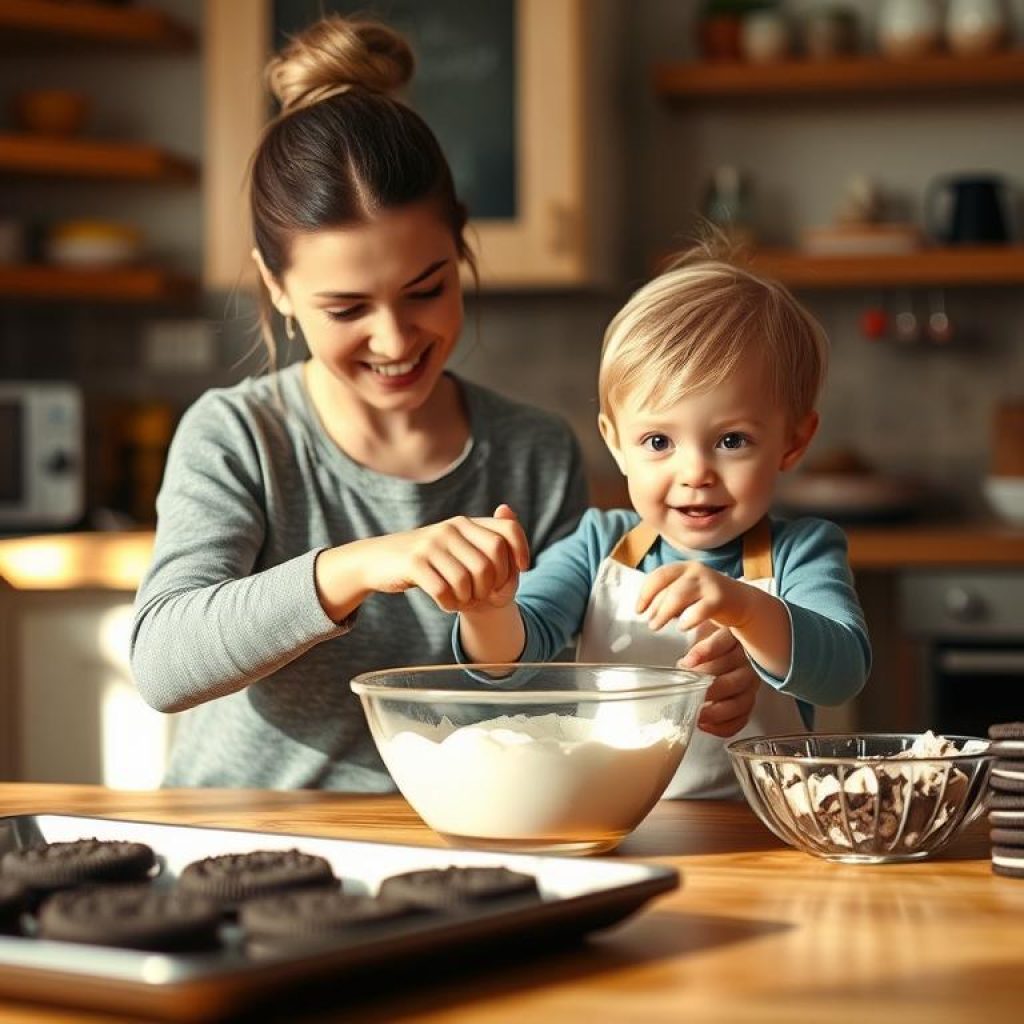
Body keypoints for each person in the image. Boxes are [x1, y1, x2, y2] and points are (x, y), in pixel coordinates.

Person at [130, 15, 759, 790]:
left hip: (465, 842)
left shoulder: (530, 449)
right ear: (277, 287)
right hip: (249, 836)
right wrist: (359, 566)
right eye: (346, 308)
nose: (394, 339)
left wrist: (708, 677)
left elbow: (562, 687)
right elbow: (163, 664)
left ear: (462, 246)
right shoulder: (238, 436)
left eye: (426, 290)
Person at [454, 246, 872, 799]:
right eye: (658, 442)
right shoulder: (598, 546)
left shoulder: (802, 551)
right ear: (615, 441)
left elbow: (841, 674)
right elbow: (511, 659)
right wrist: (488, 610)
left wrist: (744, 609)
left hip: (760, 831)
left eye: (732, 440)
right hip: (613, 818)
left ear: (793, 441)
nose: (695, 472)